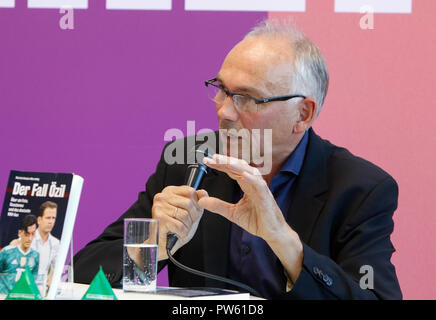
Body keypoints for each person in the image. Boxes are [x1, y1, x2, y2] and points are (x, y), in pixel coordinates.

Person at [74, 19, 402, 299]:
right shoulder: (189, 162)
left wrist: (286, 243)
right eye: (222, 89)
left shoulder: (360, 189)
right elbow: (81, 273)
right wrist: (151, 246)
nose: (224, 111)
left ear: (302, 114)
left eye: (246, 98)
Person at [0, 215, 40, 292]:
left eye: (33, 234)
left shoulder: (35, 256)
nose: (30, 238)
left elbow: (33, 281)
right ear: (20, 233)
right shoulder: (6, 252)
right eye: (27, 234)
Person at [32, 201, 60, 285]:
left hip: (43, 289)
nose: (51, 222)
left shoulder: (56, 243)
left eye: (53, 218)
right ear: (39, 220)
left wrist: (49, 285)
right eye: (48, 218)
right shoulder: (28, 239)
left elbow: (57, 268)